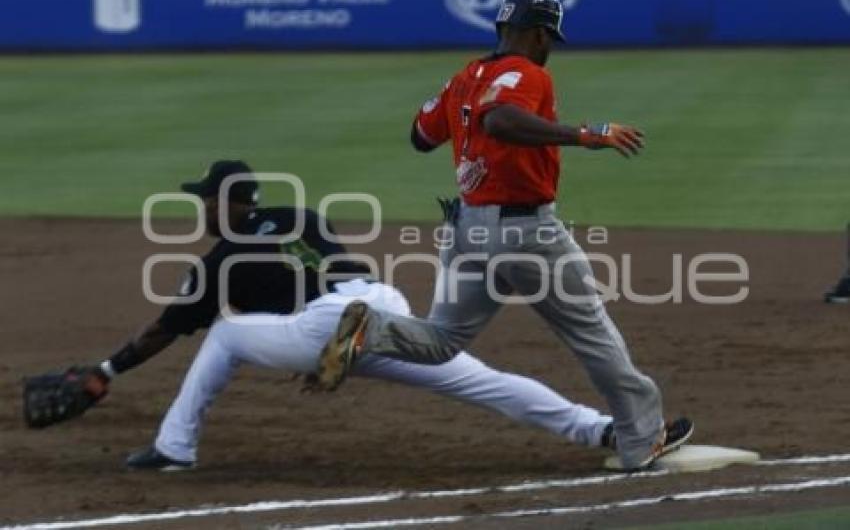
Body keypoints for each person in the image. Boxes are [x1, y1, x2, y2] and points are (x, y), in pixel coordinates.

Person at [315, 0, 693, 471]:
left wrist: (460, 106)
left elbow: (420, 136)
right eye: (550, 39)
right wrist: (585, 134)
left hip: (468, 230)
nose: (549, 49)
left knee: (442, 339)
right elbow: (500, 121)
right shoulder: (527, 73)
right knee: (592, 333)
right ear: (538, 35)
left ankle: (373, 327)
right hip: (526, 234)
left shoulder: (466, 76)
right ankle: (642, 440)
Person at [68, 160, 617, 470]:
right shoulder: (301, 214)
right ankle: (599, 430)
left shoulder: (221, 258)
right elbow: (301, 273)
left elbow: (163, 330)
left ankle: (173, 447)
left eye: (206, 200)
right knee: (481, 380)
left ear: (230, 202)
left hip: (326, 321)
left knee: (226, 333)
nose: (202, 209)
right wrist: (322, 349)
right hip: (379, 304)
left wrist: (108, 370)